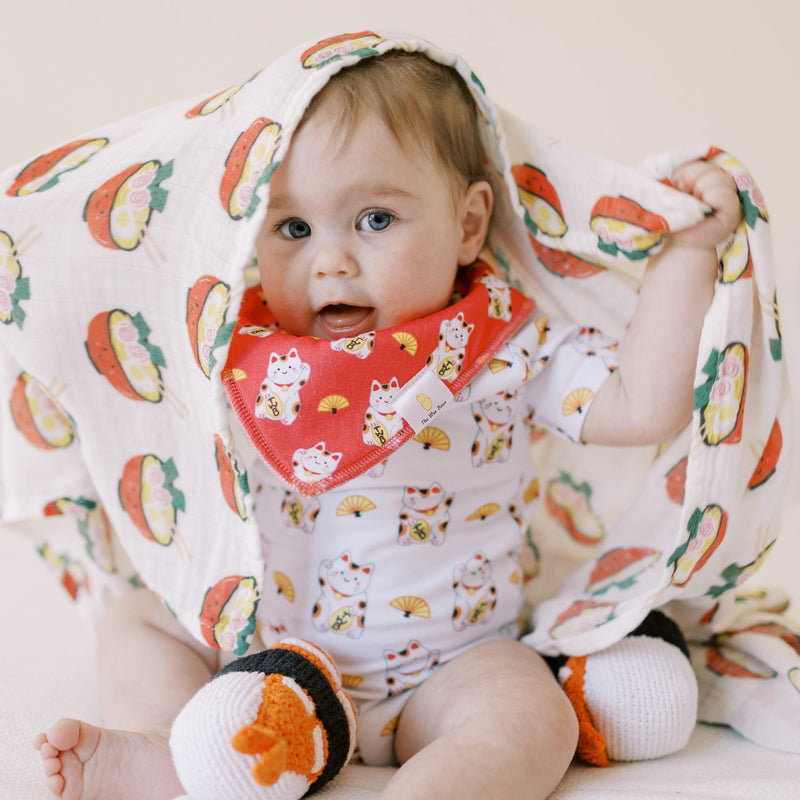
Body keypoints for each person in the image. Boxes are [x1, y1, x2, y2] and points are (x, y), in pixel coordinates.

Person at [33, 48, 742, 800]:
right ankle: (165, 749)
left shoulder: (503, 344)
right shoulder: (232, 351)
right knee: (137, 620)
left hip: (445, 671)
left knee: (529, 715)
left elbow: (643, 406)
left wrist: (686, 252)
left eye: (376, 219)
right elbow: (134, 405)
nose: (330, 261)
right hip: (261, 660)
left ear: (469, 225)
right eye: (292, 227)